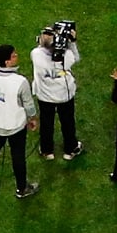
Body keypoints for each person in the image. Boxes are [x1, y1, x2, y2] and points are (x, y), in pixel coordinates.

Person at [0, 45, 39, 198]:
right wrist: (32, 118)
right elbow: (29, 104)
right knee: (18, 156)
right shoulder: (20, 81)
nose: (16, 56)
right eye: (13, 56)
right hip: (15, 126)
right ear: (7, 62)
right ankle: (21, 188)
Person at [31, 23, 83, 161]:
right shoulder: (67, 56)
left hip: (44, 96)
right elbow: (76, 58)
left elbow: (42, 46)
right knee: (67, 122)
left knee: (46, 123)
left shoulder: (35, 54)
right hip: (64, 96)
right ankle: (70, 149)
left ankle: (47, 150)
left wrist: (47, 41)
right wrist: (71, 42)